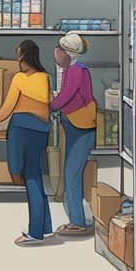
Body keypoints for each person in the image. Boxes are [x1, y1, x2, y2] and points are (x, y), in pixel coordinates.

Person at [0, 39, 53, 246]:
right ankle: (45, 226)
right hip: (42, 130)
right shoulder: (45, 78)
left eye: (19, 55)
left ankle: (35, 233)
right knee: (36, 175)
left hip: (21, 129)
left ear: (25, 56)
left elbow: (8, 106)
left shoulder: (19, 78)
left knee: (25, 174)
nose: (18, 60)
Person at [50, 32, 97, 237]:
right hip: (75, 126)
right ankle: (75, 219)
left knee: (72, 173)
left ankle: (78, 222)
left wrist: (46, 107)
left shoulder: (76, 71)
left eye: (59, 49)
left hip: (81, 127)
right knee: (71, 172)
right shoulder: (73, 69)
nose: (56, 53)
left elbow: (64, 98)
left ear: (67, 52)